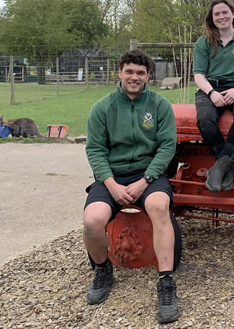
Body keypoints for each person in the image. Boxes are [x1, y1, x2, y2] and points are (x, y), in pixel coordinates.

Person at [83, 50, 179, 324]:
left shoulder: (160, 105)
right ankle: (103, 270)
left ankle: (166, 282)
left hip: (149, 175)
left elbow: (166, 147)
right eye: (129, 72)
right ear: (120, 73)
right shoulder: (103, 108)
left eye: (140, 73)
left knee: (160, 207)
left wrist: (145, 180)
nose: (134, 77)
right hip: (111, 176)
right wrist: (111, 184)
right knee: (92, 220)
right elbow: (96, 150)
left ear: (148, 76)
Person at [193, 0, 234, 193]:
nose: (221, 16)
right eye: (216, 14)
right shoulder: (204, 43)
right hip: (210, 87)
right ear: (211, 18)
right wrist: (212, 93)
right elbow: (198, 75)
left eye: (224, 12)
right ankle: (225, 167)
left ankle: (219, 167)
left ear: (233, 14)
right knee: (205, 119)